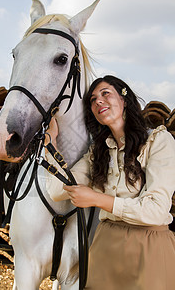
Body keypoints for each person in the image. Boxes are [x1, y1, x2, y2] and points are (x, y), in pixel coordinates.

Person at [46, 75, 175, 290]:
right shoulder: (98, 153)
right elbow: (58, 190)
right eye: (93, 99)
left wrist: (97, 199)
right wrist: (52, 145)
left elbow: (156, 210)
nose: (98, 101)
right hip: (105, 246)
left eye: (106, 93)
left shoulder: (159, 141)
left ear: (124, 100)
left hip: (149, 248)